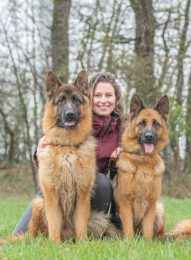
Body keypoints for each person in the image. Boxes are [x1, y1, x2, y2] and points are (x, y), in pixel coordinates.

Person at [12, 72, 125, 235]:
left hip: (91, 190)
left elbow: (122, 175)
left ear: (116, 97)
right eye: (98, 95)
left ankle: (81, 232)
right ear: (90, 96)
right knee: (20, 235)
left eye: (108, 95)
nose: (103, 100)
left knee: (101, 182)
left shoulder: (122, 127)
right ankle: (56, 235)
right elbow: (46, 161)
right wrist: (40, 152)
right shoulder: (62, 125)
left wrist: (117, 162)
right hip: (56, 187)